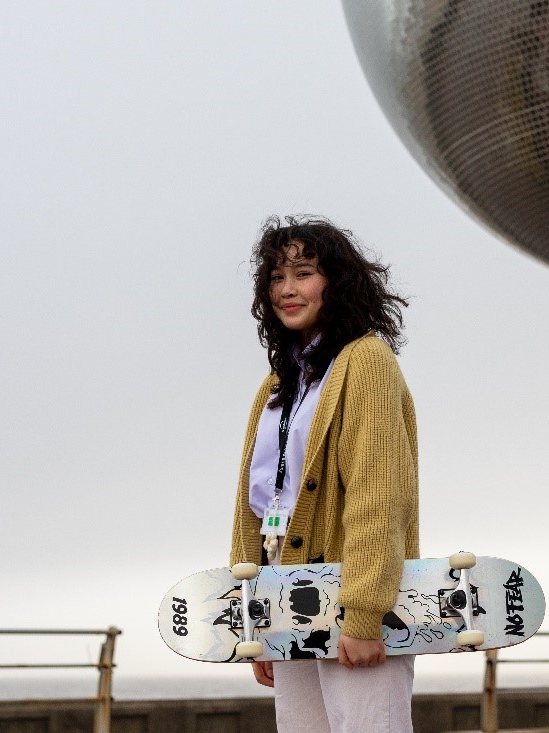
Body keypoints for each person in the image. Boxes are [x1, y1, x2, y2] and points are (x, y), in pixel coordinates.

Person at [229, 215, 420, 733]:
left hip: (353, 599)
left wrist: (364, 614)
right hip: (284, 596)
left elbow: (378, 495)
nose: (287, 290)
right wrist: (254, 621)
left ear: (336, 282)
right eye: (276, 277)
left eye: (304, 273)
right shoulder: (277, 382)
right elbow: (253, 505)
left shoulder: (366, 361)